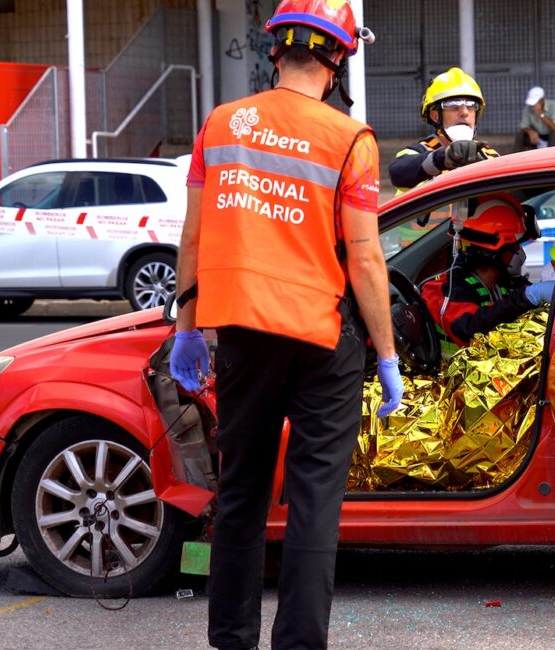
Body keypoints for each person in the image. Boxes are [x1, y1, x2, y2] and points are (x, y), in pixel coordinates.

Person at [167, 1, 404, 648]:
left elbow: (192, 237)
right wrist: (386, 356)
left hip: (243, 335)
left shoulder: (220, 125)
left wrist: (187, 329)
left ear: (275, 51)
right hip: (324, 341)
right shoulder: (349, 139)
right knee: (312, 506)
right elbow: (364, 258)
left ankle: (232, 639)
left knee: (240, 496)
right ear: (338, 59)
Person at [421, 193, 555, 350]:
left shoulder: (505, 283)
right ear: (490, 253)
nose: (520, 252)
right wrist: (528, 296)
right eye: (514, 247)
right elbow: (472, 327)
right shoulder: (444, 291)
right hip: (457, 372)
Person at [389, 67, 500, 195]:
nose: (464, 112)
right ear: (435, 116)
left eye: (470, 105)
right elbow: (398, 173)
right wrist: (441, 158)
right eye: (453, 105)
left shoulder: (490, 155)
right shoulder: (419, 151)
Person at [515, 86, 555, 151]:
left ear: (541, 100)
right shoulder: (528, 108)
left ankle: (551, 156)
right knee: (521, 135)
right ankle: (515, 157)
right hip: (538, 137)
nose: (532, 106)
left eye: (535, 103)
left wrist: (540, 114)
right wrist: (530, 131)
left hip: (552, 136)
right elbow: (524, 126)